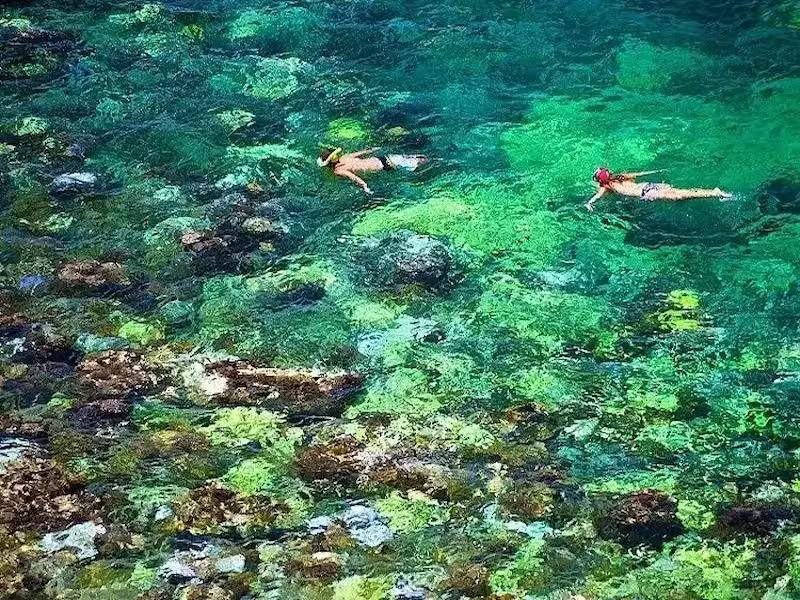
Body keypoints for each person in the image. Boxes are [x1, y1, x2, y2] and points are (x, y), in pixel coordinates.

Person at [585, 167, 732, 211]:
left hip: (647, 193)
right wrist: (656, 172)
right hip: (650, 186)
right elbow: (640, 174)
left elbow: (596, 197)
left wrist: (589, 203)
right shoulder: (620, 177)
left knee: (679, 196)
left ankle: (714, 193)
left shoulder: (606, 187)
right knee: (680, 193)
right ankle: (713, 192)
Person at [317, 146, 428, 195]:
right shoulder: (345, 157)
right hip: (385, 158)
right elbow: (364, 152)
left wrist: (365, 187)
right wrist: (374, 149)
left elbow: (354, 178)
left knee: (423, 165)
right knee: (422, 159)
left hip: (388, 166)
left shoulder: (338, 171)